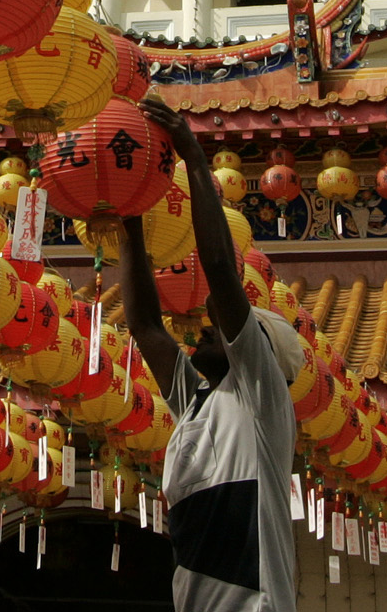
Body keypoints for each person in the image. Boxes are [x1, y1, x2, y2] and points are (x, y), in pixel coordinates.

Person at [120, 95, 305, 612]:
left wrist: (194, 159)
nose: (207, 324)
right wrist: (131, 216)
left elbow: (222, 270)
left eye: (223, 325)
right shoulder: (198, 403)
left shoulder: (260, 399)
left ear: (258, 351)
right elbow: (144, 325)